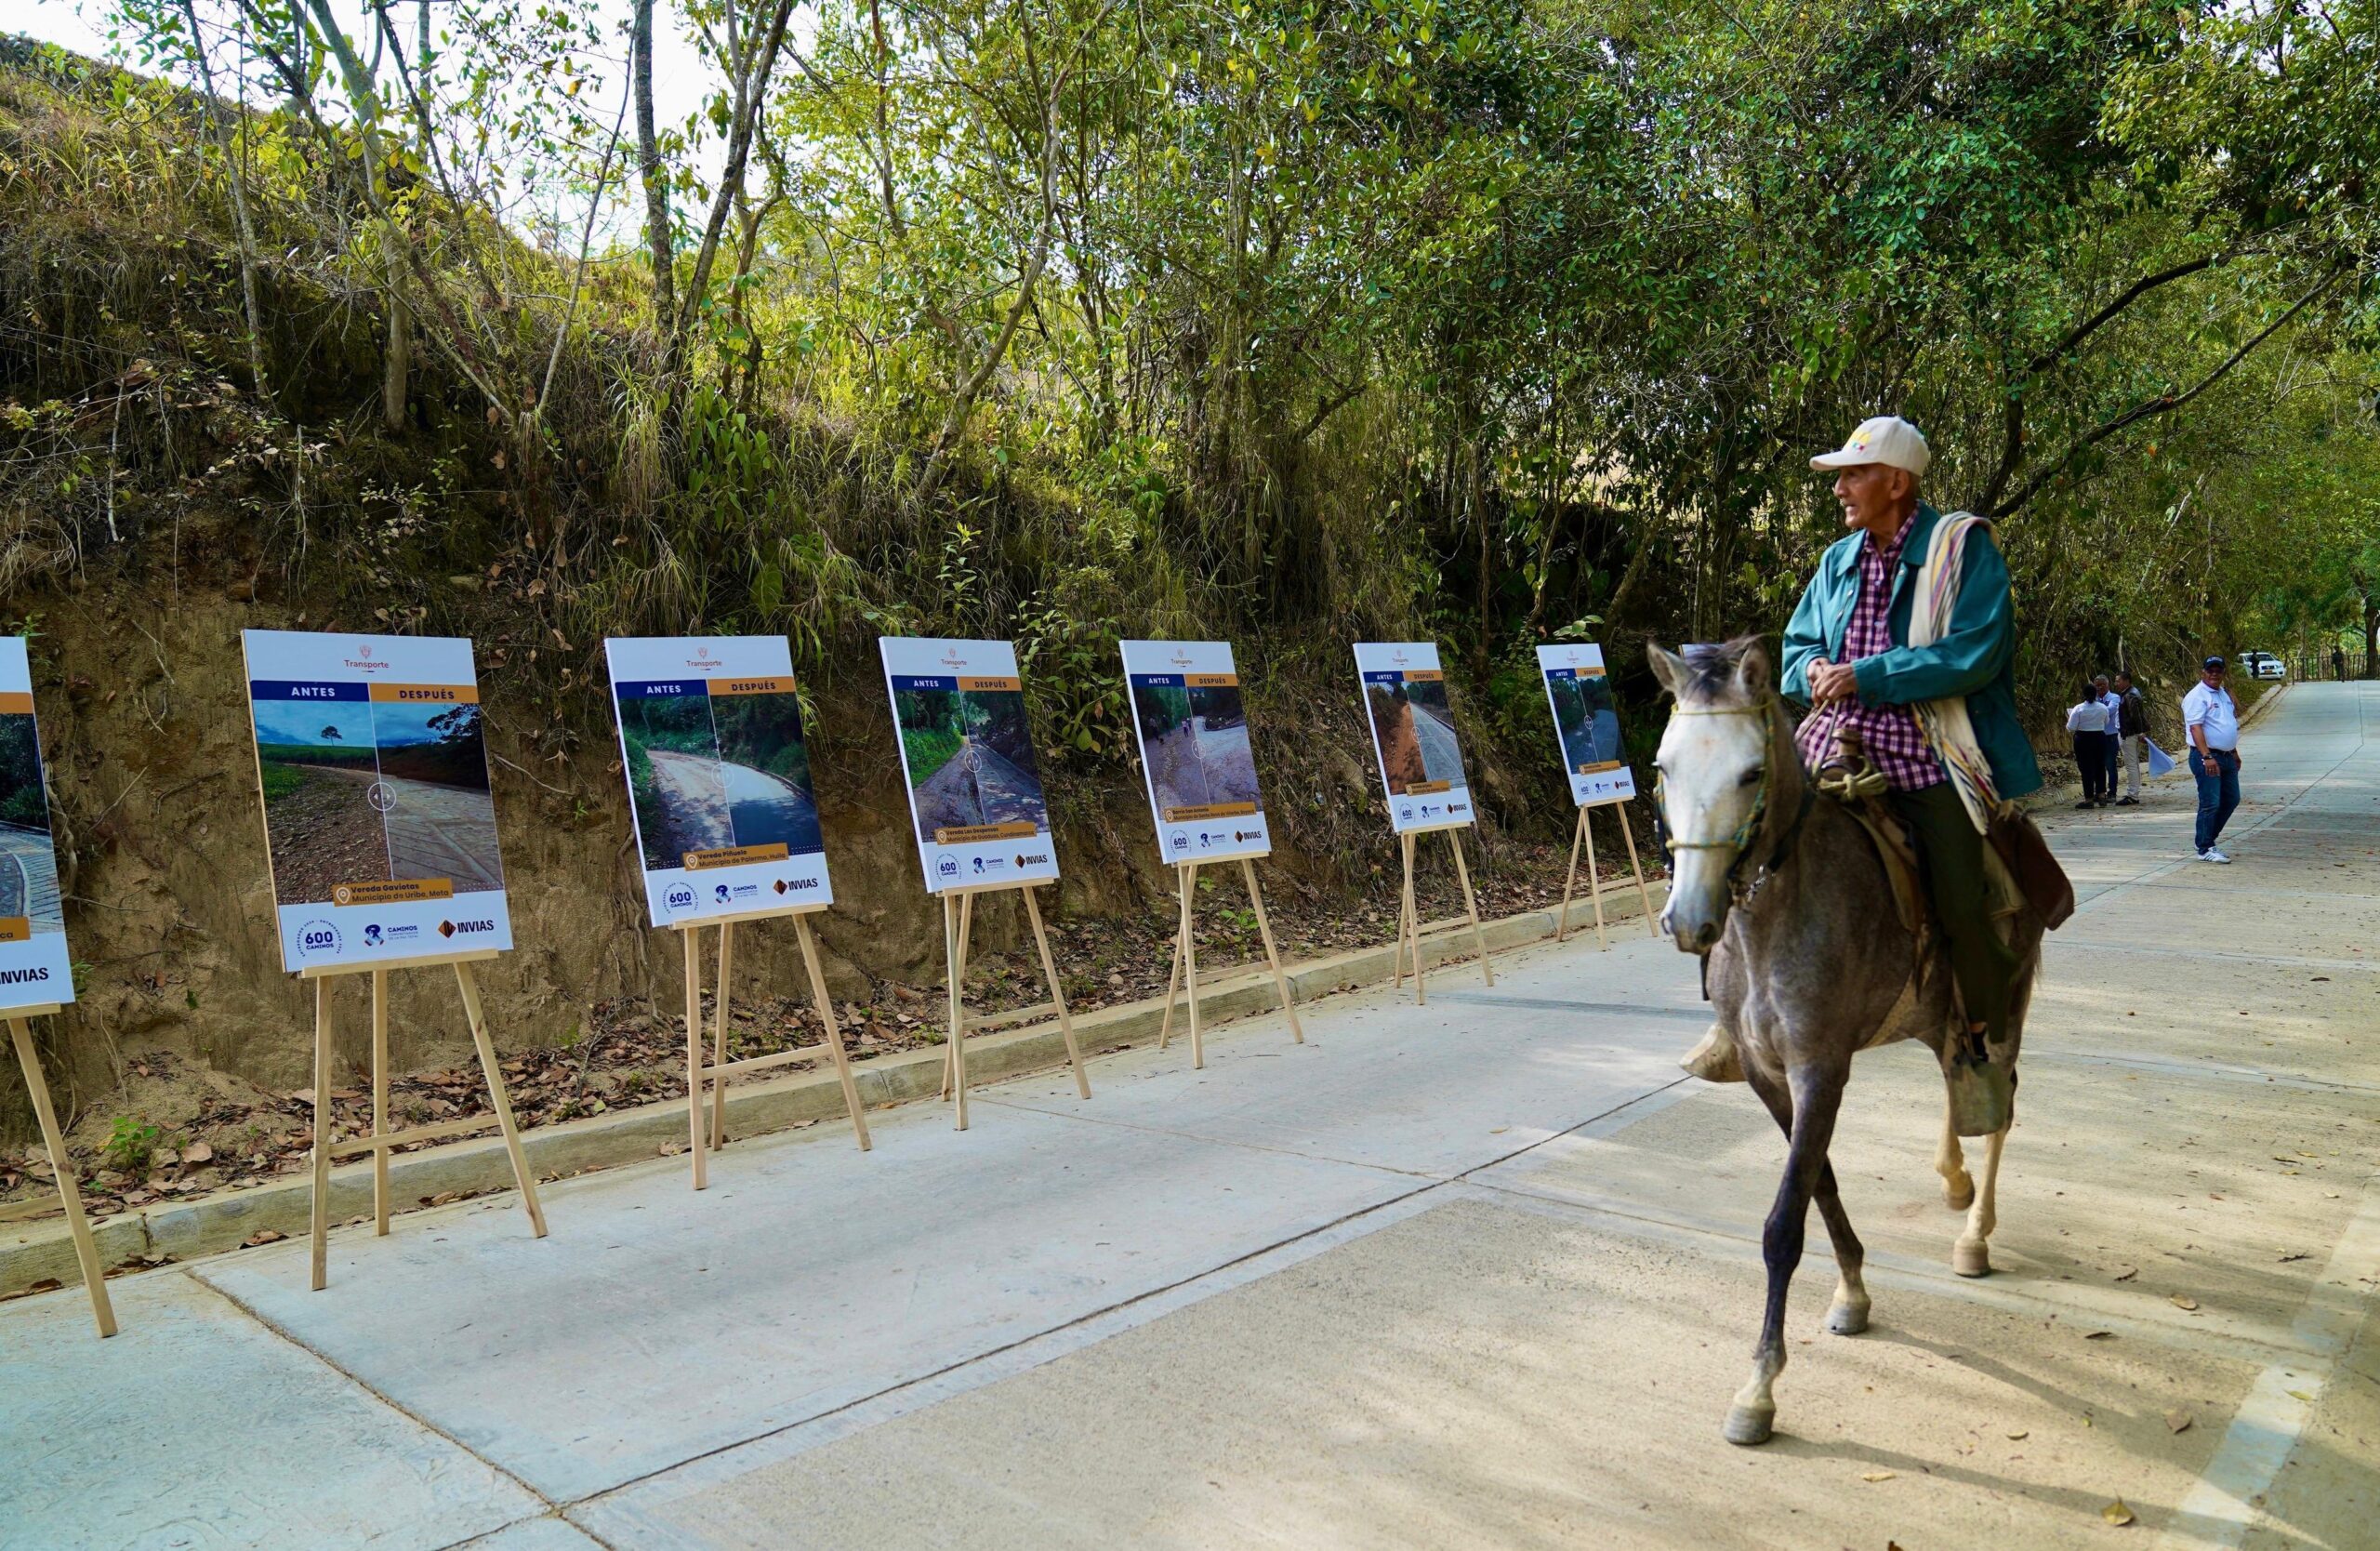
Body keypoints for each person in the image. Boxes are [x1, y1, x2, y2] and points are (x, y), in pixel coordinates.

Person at [1684, 416, 2043, 1099]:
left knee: (1963, 895)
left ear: (1897, 482)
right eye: (1841, 477)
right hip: (1830, 738)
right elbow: (1794, 649)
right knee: (1725, 837)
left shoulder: (1963, 551)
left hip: (1930, 746)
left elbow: (1976, 651)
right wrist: (1815, 667)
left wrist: (1868, 675)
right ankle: (1730, 1020)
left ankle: (1976, 1043)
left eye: (1853, 475)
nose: (1840, 490)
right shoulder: (1836, 562)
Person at [2183, 656, 2241, 862]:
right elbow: (2195, 727)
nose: (2214, 674)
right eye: (2210, 670)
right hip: (2207, 756)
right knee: (2211, 802)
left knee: (2232, 799)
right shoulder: (2197, 696)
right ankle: (2205, 847)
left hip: (2226, 756)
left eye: (2218, 670)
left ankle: (2208, 839)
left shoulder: (2223, 694)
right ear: (2203, 672)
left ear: (2224, 673)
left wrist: (2233, 752)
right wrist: (2207, 756)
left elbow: (2226, 723)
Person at [2068, 686, 2109, 807]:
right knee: (2100, 766)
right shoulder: (2103, 707)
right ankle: (2102, 795)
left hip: (2083, 739)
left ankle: (2089, 799)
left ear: (2084, 694)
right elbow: (2106, 722)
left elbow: (2071, 727)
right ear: (2096, 694)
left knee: (2086, 768)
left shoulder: (2078, 708)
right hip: (2100, 738)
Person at [2113, 670, 2148, 804]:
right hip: (2128, 732)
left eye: (2118, 681)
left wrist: (2140, 732)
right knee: (2133, 764)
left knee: (2131, 765)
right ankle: (2134, 792)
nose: (2116, 683)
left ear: (2126, 681)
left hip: (2129, 734)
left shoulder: (2131, 695)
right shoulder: (2129, 693)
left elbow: (2135, 716)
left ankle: (2133, 794)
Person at [2094, 674, 2122, 799]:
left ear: (2108, 685)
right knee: (2097, 765)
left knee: (2110, 765)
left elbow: (2110, 710)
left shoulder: (2114, 697)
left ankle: (2112, 792)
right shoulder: (2093, 698)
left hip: (2110, 736)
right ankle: (2100, 792)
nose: (2100, 688)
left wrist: (2091, 710)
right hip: (2096, 736)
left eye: (2102, 685)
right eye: (2097, 685)